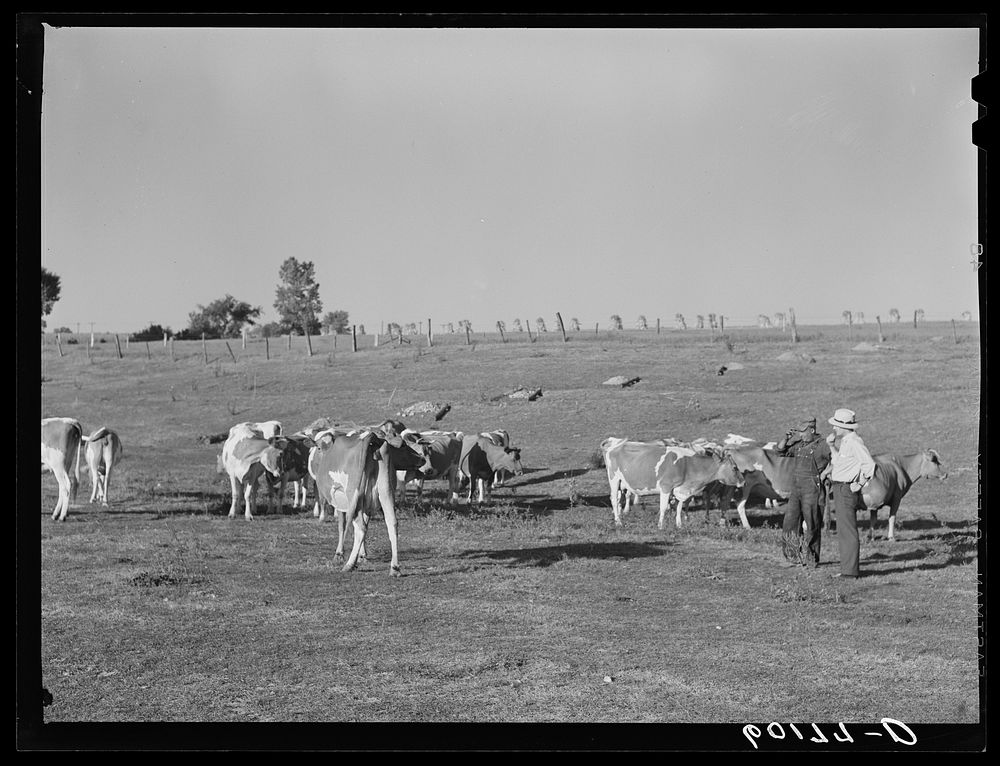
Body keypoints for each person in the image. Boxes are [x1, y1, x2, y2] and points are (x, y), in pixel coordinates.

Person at [825, 408, 877, 578]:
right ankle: (847, 569)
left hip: (847, 489)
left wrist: (859, 483)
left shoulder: (854, 442)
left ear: (844, 426)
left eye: (836, 425)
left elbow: (869, 466)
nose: (834, 428)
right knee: (844, 529)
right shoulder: (846, 441)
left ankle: (850, 572)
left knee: (847, 530)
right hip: (840, 488)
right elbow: (839, 463)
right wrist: (832, 446)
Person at [775, 417, 831, 568]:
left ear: (812, 430)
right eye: (799, 432)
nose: (800, 435)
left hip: (812, 489)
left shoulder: (823, 445)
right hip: (797, 489)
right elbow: (780, 450)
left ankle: (812, 559)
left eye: (803, 432)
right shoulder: (799, 445)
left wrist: (825, 473)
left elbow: (836, 460)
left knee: (812, 524)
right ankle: (792, 557)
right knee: (790, 522)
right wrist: (786, 438)